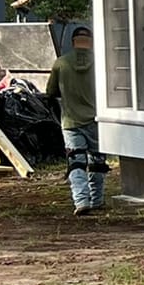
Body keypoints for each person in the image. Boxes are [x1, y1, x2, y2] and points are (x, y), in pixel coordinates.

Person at [44, 26, 106, 215]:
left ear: (73, 42)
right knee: (97, 161)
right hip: (97, 120)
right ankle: (97, 199)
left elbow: (51, 92)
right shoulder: (101, 62)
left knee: (76, 162)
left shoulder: (61, 63)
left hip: (71, 122)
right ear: (91, 42)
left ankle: (81, 201)